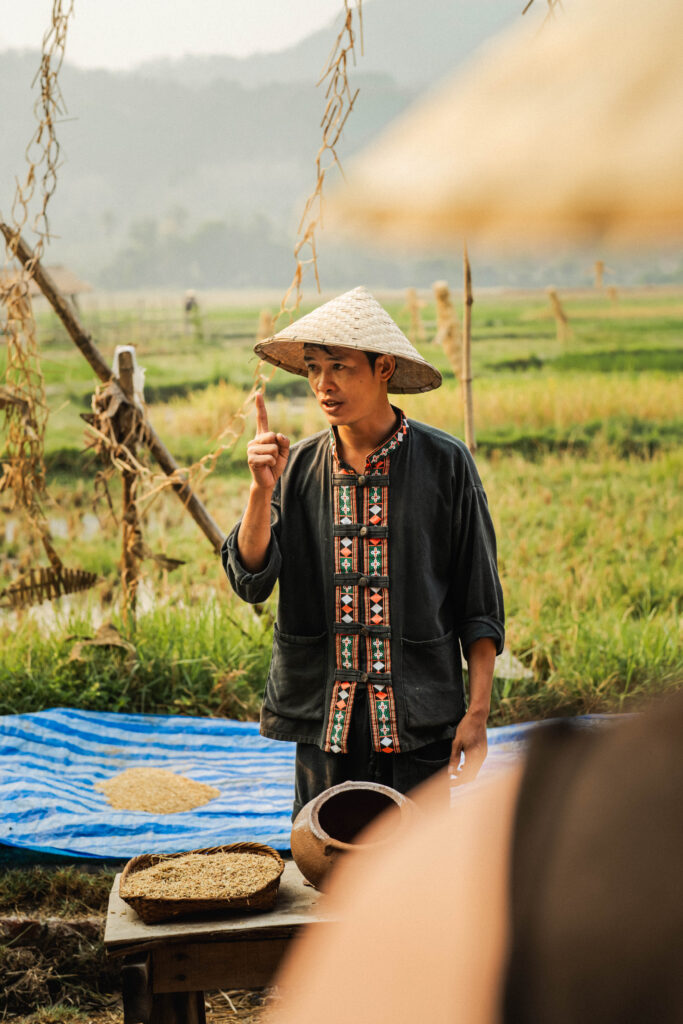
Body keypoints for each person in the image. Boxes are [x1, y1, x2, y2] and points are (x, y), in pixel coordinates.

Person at [222, 286, 504, 819]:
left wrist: (478, 714)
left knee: (418, 872)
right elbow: (250, 578)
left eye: (339, 367)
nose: (323, 385)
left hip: (417, 716)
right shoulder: (296, 468)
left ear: (384, 368)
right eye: (312, 368)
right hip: (325, 718)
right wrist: (261, 490)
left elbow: (479, 600)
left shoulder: (446, 464)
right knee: (326, 866)